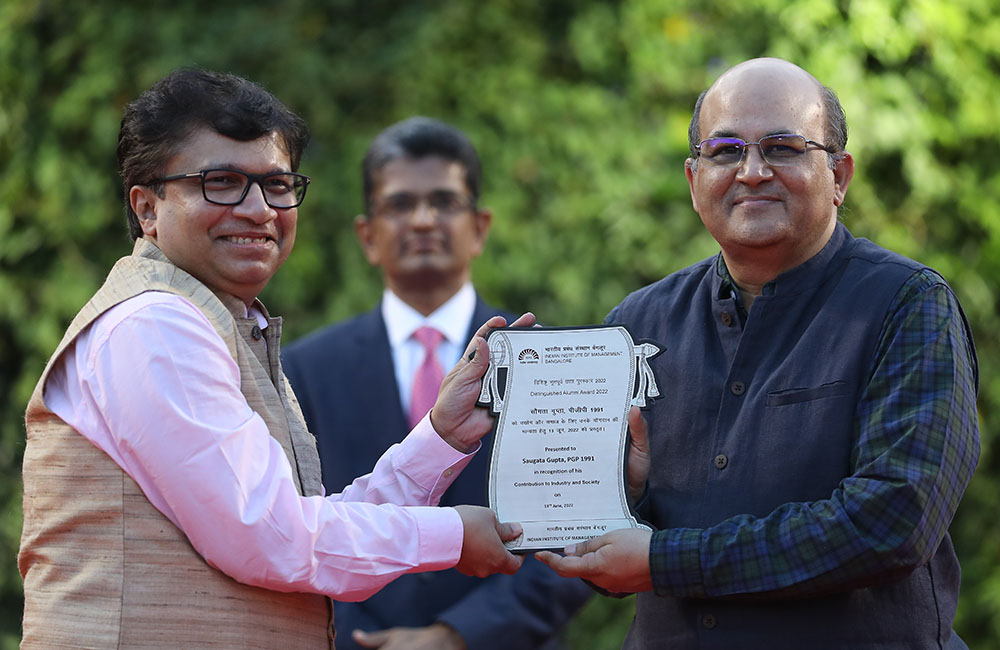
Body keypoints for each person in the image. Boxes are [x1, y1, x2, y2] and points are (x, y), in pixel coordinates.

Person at [18, 69, 533, 649]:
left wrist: (439, 438)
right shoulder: (153, 324)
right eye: (222, 182)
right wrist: (453, 535)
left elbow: (296, 525)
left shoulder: (223, 322)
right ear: (147, 207)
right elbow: (272, 537)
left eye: (277, 184)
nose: (259, 208)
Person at [537, 57, 980, 649]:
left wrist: (667, 559)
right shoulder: (636, 327)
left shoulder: (905, 306)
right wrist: (625, 500)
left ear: (839, 176)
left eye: (783, 147)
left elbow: (893, 522)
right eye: (724, 150)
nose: (751, 171)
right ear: (694, 182)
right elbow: (599, 547)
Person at [283, 117, 591, 650]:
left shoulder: (550, 362)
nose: (423, 220)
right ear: (367, 235)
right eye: (400, 204)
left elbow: (575, 535)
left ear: (481, 227)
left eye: (445, 202)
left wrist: (456, 637)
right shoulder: (303, 371)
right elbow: (296, 529)